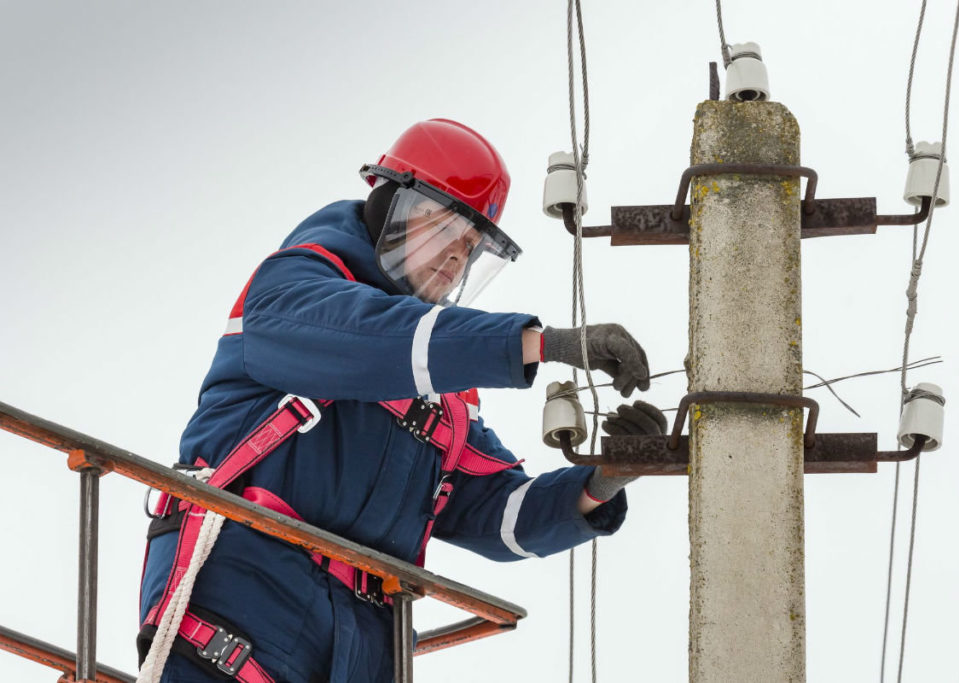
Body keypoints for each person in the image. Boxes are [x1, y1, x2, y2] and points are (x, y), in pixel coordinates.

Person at [137, 118, 666, 682]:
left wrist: (602, 480)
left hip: (364, 649)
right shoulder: (290, 292)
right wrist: (540, 344)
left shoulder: (444, 397)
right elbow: (370, 339)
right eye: (446, 230)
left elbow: (497, 512)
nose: (455, 258)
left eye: (470, 248)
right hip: (244, 611)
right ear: (392, 207)